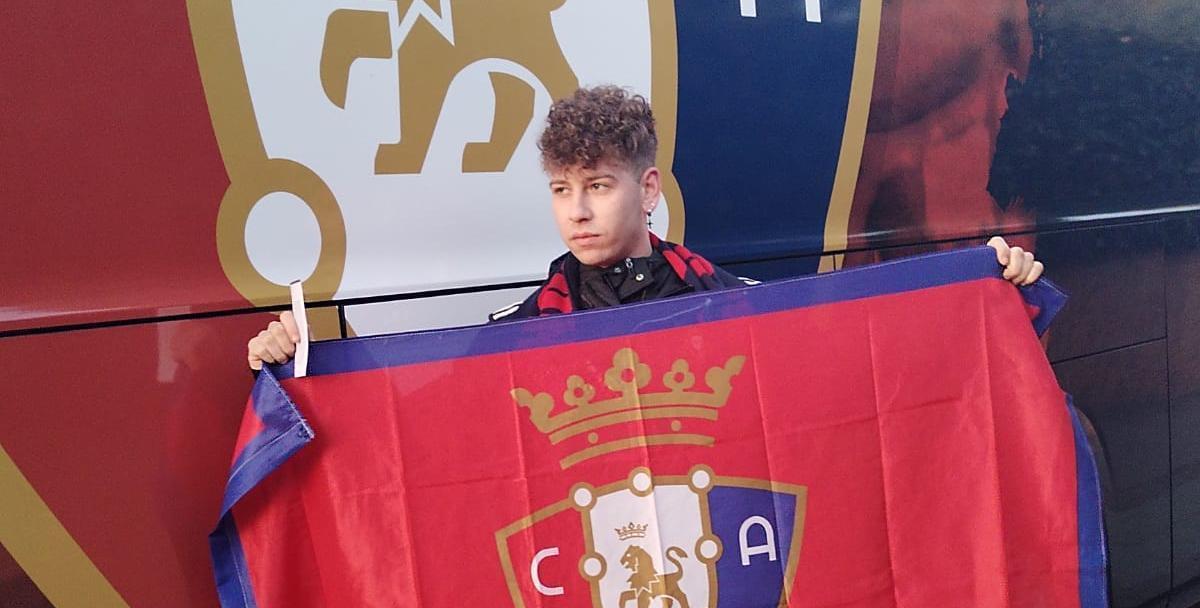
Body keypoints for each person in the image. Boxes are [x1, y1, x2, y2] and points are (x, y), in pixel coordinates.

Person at [248, 85, 1043, 371]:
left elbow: (857, 341)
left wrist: (983, 282)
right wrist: (297, 361)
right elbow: (409, 405)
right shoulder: (526, 326)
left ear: (648, 187)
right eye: (561, 189)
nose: (577, 210)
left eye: (598, 185)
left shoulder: (724, 295)